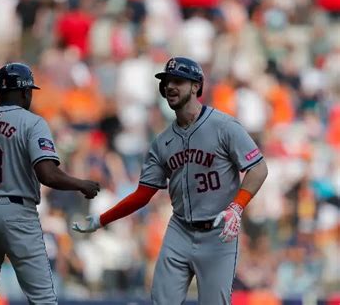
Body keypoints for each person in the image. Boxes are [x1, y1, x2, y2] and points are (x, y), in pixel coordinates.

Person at [72, 57, 268, 304]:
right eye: (167, 82)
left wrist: (237, 206)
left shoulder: (224, 126)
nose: (170, 86)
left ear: (196, 86)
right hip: (180, 229)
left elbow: (258, 167)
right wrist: (102, 219)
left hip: (218, 233)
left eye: (178, 81)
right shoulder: (162, 142)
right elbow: (143, 194)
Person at [0, 63, 100, 304]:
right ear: (24, 92)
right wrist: (81, 184)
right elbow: (47, 174)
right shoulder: (32, 123)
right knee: (43, 300)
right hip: (17, 212)